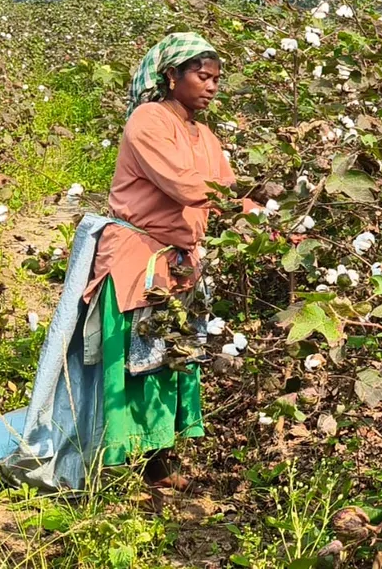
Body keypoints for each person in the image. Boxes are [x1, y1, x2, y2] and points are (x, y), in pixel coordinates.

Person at [81, 32, 239, 489]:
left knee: (173, 358)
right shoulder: (147, 121)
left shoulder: (204, 134)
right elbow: (187, 187)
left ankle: (158, 459)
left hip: (180, 262)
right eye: (202, 76)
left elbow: (227, 192)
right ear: (171, 76)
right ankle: (121, 463)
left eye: (216, 79)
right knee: (135, 362)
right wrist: (241, 198)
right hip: (138, 259)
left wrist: (274, 215)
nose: (211, 87)